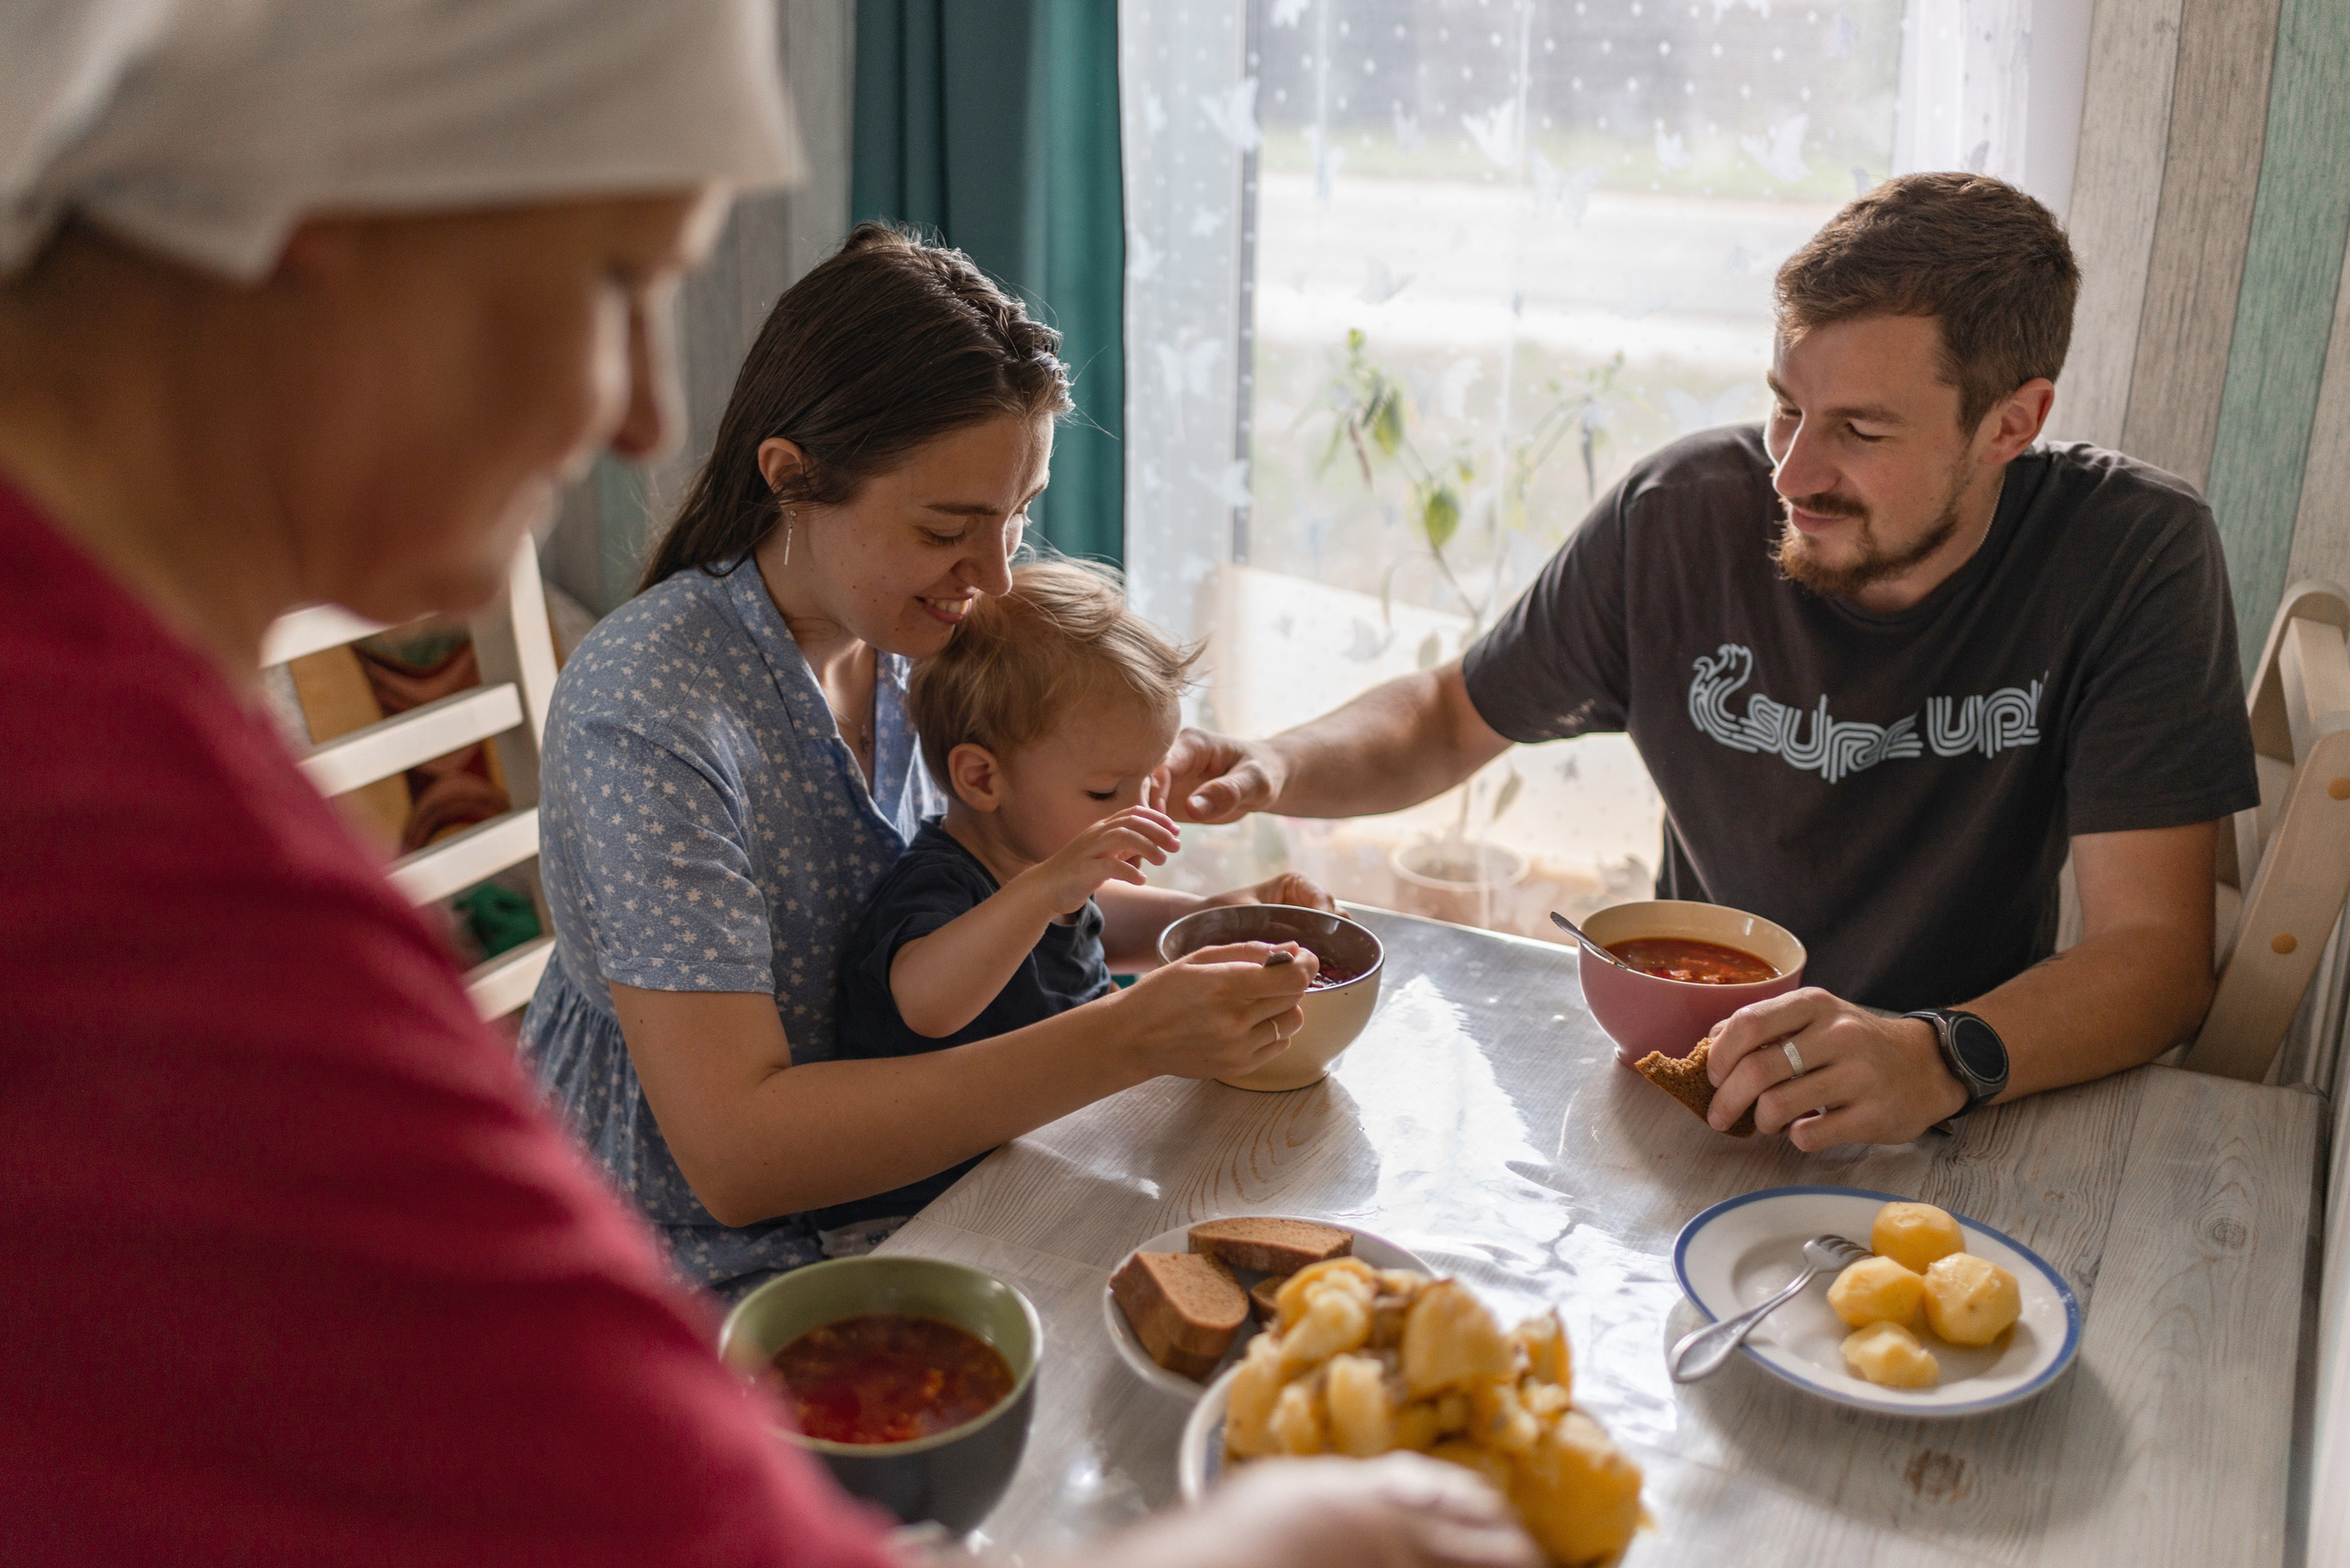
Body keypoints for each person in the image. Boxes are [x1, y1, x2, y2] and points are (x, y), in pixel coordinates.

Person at [0, 5, 1537, 1565]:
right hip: (735, 1240)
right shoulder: (190, 854)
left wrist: (1148, 927)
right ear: (336, 214)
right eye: (618, 283)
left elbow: (967, 894)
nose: (650, 419)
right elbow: (732, 1171)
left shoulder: (911, 653)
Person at [1162, 173, 2259, 1151]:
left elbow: (2155, 958)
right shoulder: (1682, 512)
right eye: (1785, 408)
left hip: (1969, 1094)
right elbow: (1450, 718)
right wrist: (1274, 759)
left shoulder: (2131, 551)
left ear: (2011, 424)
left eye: (1861, 432)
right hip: (1686, 1079)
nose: (1792, 472)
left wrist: (1930, 1057)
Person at [522, 226, 1326, 1295]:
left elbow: (1011, 886)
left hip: (926, 1188)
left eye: (1018, 517)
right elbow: (737, 1159)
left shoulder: (924, 647)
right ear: (792, 479)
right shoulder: (652, 711)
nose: (995, 577)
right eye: (951, 525)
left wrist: (1210, 922)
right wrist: (1125, 1037)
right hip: (671, 1254)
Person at [817, 559, 1331, 1240]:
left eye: (1151, 779)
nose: (1141, 807)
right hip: (916, 1212)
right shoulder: (944, 880)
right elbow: (927, 1005)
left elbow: (1107, 933)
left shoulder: (1038, 856)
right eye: (1105, 790)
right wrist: (1047, 888)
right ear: (981, 778)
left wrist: (1237, 912)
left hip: (1043, 1164)